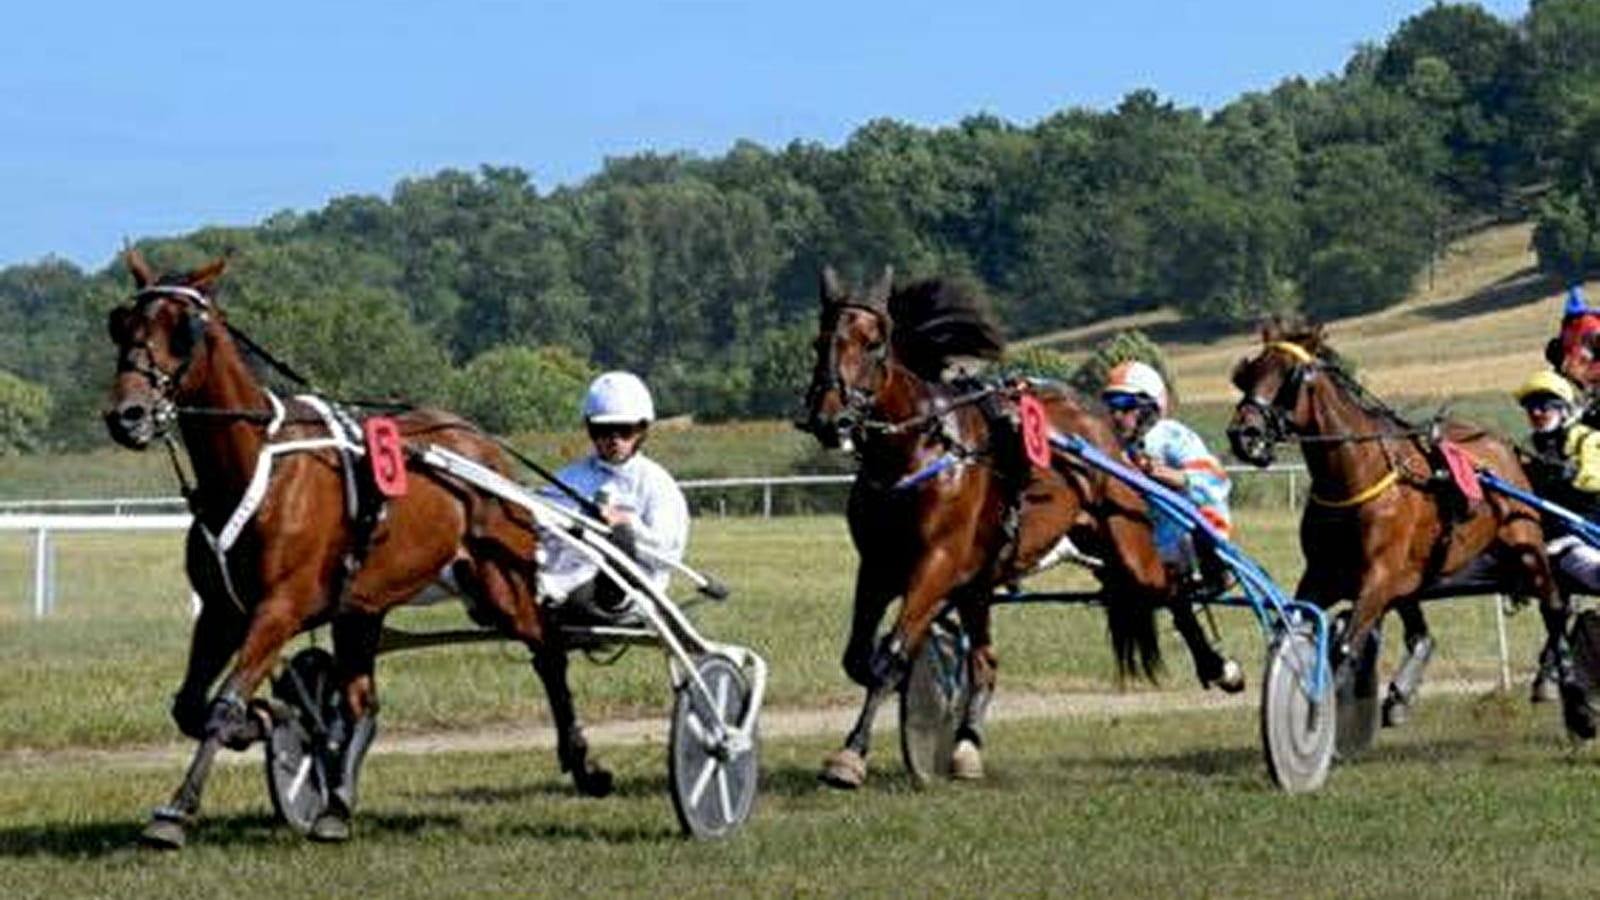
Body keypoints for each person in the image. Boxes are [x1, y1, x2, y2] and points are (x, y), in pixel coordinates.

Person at [538, 371, 690, 626]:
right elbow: (540, 534)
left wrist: (625, 525)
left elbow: (667, 553)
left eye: (624, 430)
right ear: (590, 429)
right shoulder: (568, 478)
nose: (614, 440)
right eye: (603, 430)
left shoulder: (657, 484)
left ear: (642, 429)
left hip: (623, 594)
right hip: (560, 583)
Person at [1101, 360, 1233, 594]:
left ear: (1148, 407)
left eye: (1124, 405)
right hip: (1150, 539)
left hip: (1189, 537)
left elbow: (1216, 482)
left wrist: (1164, 474)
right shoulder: (1113, 446)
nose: (1116, 415)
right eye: (1110, 406)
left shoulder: (1171, 436)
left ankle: (1217, 571)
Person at [1513, 369, 1600, 701]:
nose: (1536, 413)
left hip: (1590, 532)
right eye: (1531, 408)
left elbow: (1595, 478)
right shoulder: (1524, 448)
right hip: (1560, 543)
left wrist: (1570, 474)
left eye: (1544, 406)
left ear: (1563, 409)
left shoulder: (1587, 439)